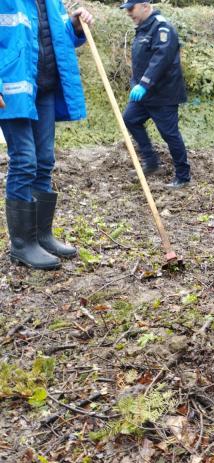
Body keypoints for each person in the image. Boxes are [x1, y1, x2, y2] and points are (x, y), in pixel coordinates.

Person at [0, 0, 94, 270]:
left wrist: (74, 26)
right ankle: (22, 245)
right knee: (24, 161)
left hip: (44, 88)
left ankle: (41, 236)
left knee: (44, 161)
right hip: (13, 90)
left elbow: (54, 39)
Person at [120, 0, 191, 189]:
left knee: (170, 134)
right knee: (130, 119)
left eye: (131, 8)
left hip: (163, 94)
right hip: (144, 94)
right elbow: (142, 61)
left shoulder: (162, 28)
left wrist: (143, 84)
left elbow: (161, 59)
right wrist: (135, 84)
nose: (128, 13)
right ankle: (151, 162)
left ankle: (183, 176)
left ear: (144, 5)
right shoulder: (143, 28)